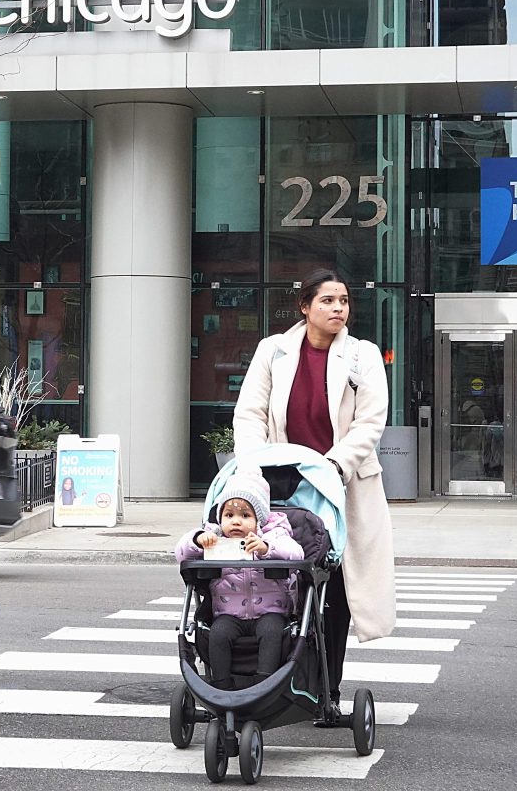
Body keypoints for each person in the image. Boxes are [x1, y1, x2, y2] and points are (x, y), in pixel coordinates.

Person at [232, 269, 395, 724]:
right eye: (327, 300)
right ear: (305, 307)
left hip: (343, 484)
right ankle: (268, 683)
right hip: (281, 483)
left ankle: (329, 693)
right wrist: (252, 465)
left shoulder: (362, 356)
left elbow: (369, 423)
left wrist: (333, 466)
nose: (338, 308)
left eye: (343, 300)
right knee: (281, 585)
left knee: (337, 592)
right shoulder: (274, 350)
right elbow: (249, 414)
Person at [174, 471, 303, 690]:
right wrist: (198, 540)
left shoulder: (273, 536)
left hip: (270, 612)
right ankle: (221, 685)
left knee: (272, 633)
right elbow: (180, 553)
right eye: (229, 515)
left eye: (245, 516)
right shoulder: (214, 538)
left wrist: (266, 548)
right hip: (228, 614)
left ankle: (265, 684)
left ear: (258, 519)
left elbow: (296, 553)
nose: (236, 521)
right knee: (218, 635)